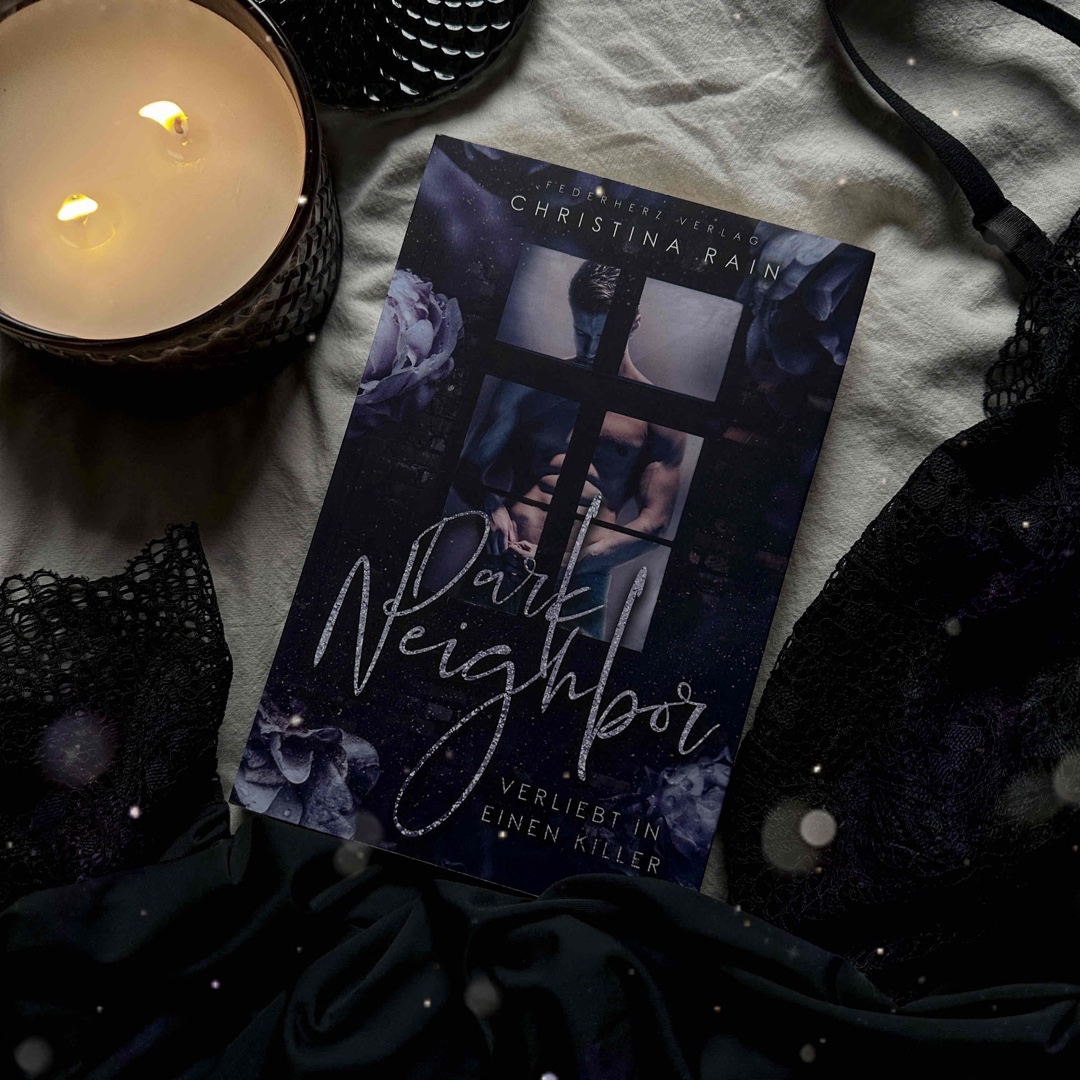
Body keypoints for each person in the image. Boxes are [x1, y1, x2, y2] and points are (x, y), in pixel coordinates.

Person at [453, 261, 686, 638]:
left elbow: (655, 522)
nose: (590, 350)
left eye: (603, 337)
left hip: (579, 581)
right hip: (504, 560)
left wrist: (567, 563)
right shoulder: (531, 386)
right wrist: (491, 507)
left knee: (567, 676)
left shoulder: (658, 415)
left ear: (633, 324)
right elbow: (469, 469)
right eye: (581, 333)